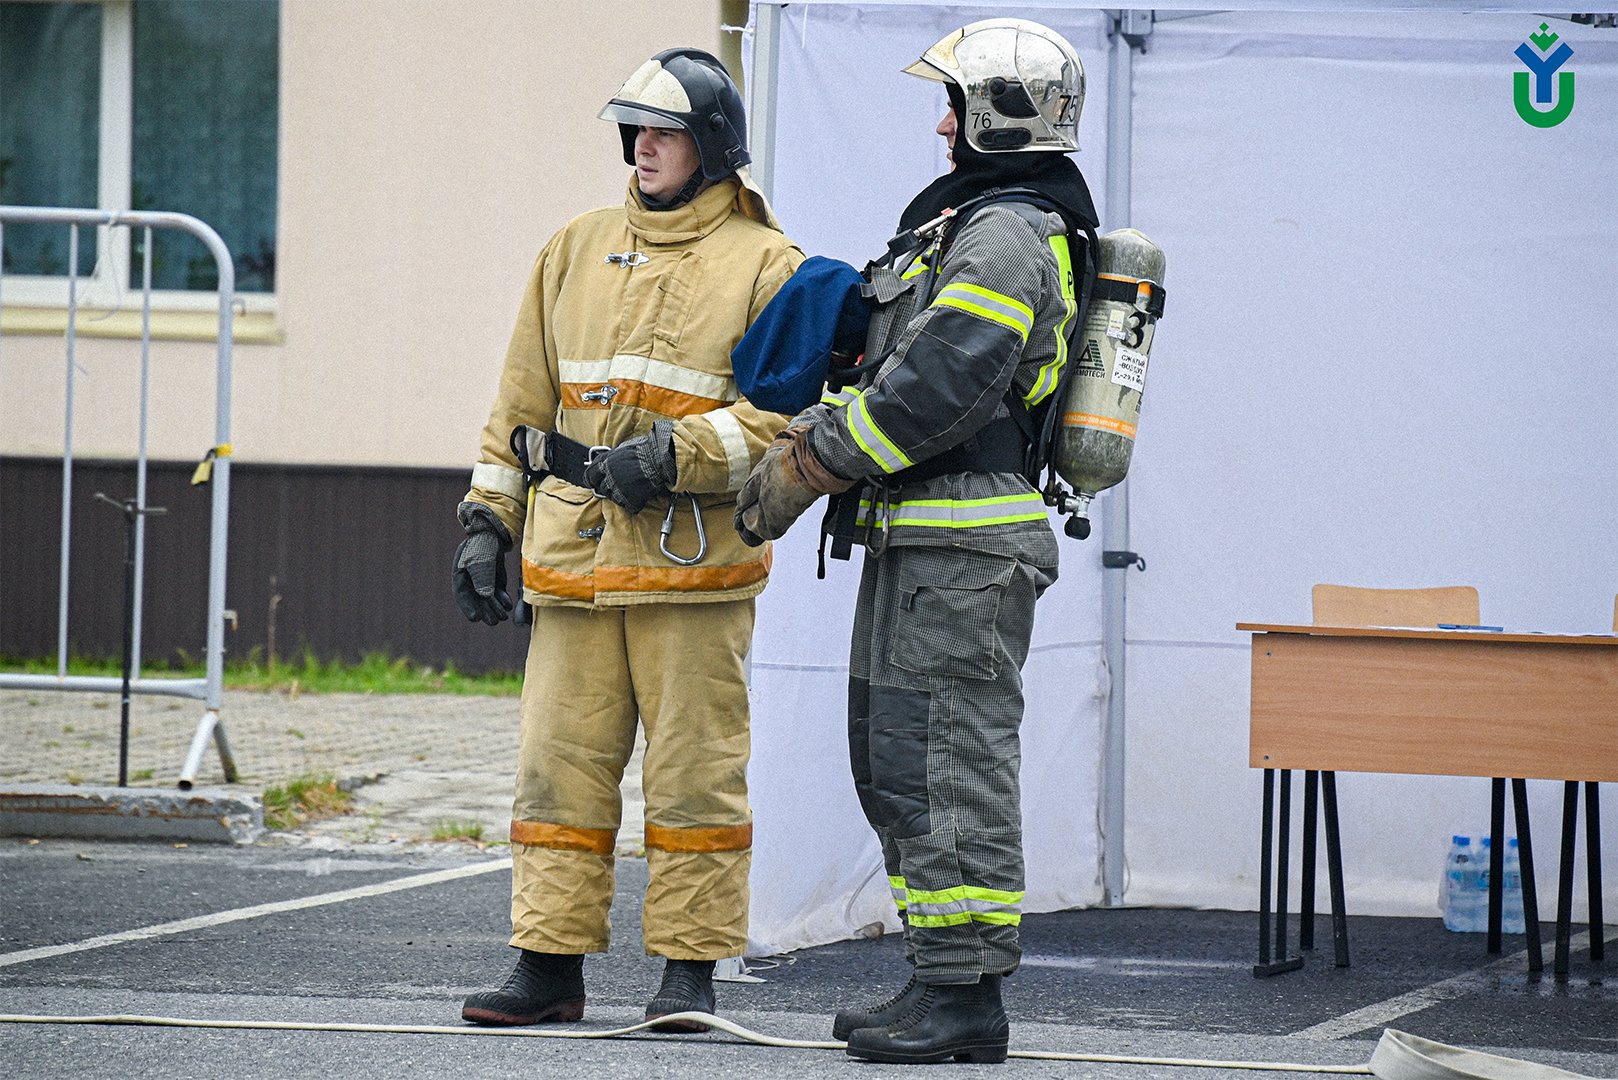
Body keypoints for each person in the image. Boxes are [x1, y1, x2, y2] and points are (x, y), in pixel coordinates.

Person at [734, 18, 1099, 1065]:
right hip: (927, 544)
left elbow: (937, 385)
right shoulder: (970, 222)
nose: (942, 124)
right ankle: (939, 978)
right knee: (905, 762)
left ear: (1001, 115)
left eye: (958, 104)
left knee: (946, 765)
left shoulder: (1005, 234)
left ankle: (965, 1001)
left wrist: (809, 463)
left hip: (963, 546)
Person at [452, 48, 801, 1031]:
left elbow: (783, 420)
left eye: (665, 130)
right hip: (572, 560)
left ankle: (688, 974)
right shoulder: (572, 248)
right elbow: (518, 405)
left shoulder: (767, 265)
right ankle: (546, 963)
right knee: (557, 767)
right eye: (634, 128)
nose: (642, 145)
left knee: (695, 773)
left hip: (695, 566)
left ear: (713, 147)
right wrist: (488, 519)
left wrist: (678, 454)